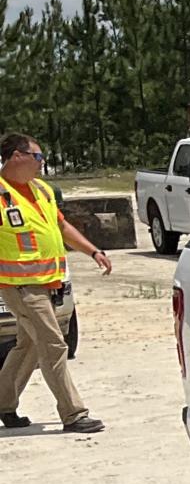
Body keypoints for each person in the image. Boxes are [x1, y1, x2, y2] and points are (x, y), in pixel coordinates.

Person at [0, 132, 111, 433]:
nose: (42, 163)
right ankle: (73, 414)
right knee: (52, 344)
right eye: (37, 157)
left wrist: (93, 251)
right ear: (16, 157)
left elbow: (61, 226)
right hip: (19, 286)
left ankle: (3, 404)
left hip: (46, 283)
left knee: (29, 346)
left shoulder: (42, 191)